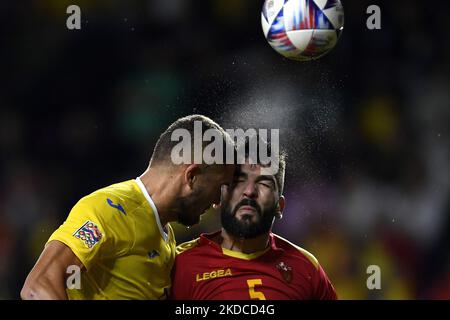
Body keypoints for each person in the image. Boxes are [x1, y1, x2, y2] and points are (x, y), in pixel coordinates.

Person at [21, 114, 235, 300]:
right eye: (218, 187)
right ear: (192, 176)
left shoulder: (164, 233)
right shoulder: (110, 209)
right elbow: (39, 286)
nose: (217, 202)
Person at [170, 139, 337, 300]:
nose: (249, 191)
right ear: (218, 198)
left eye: (264, 183)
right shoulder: (181, 265)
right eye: (238, 181)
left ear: (280, 206)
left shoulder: (306, 269)